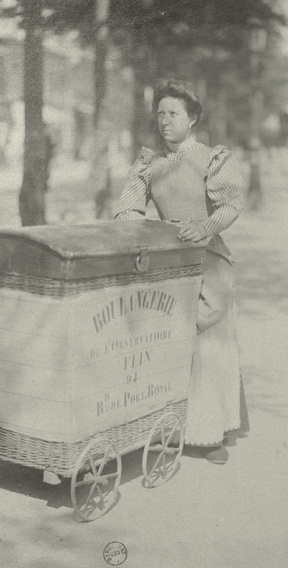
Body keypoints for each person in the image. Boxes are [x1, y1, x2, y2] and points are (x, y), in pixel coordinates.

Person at [114, 79, 249, 464]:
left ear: (192, 119)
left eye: (174, 114)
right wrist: (133, 230)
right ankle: (165, 428)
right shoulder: (148, 163)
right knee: (165, 340)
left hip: (207, 259)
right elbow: (128, 208)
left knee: (206, 347)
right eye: (161, 114)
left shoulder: (213, 158)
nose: (165, 121)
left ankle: (210, 435)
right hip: (166, 259)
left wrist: (204, 227)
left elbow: (230, 205)